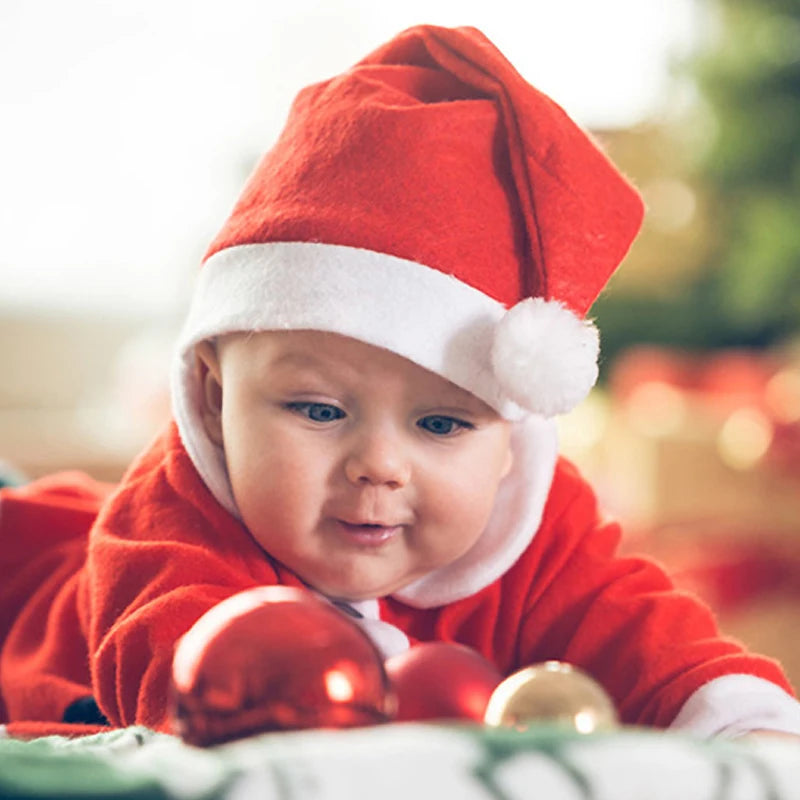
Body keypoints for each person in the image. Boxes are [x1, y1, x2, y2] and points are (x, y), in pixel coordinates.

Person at [1, 24, 799, 740]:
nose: (378, 465)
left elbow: (649, 640)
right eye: (318, 409)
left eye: (444, 425)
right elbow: (194, 687)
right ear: (213, 397)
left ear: (511, 441)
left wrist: (740, 731)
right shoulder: (171, 526)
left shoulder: (536, 528)